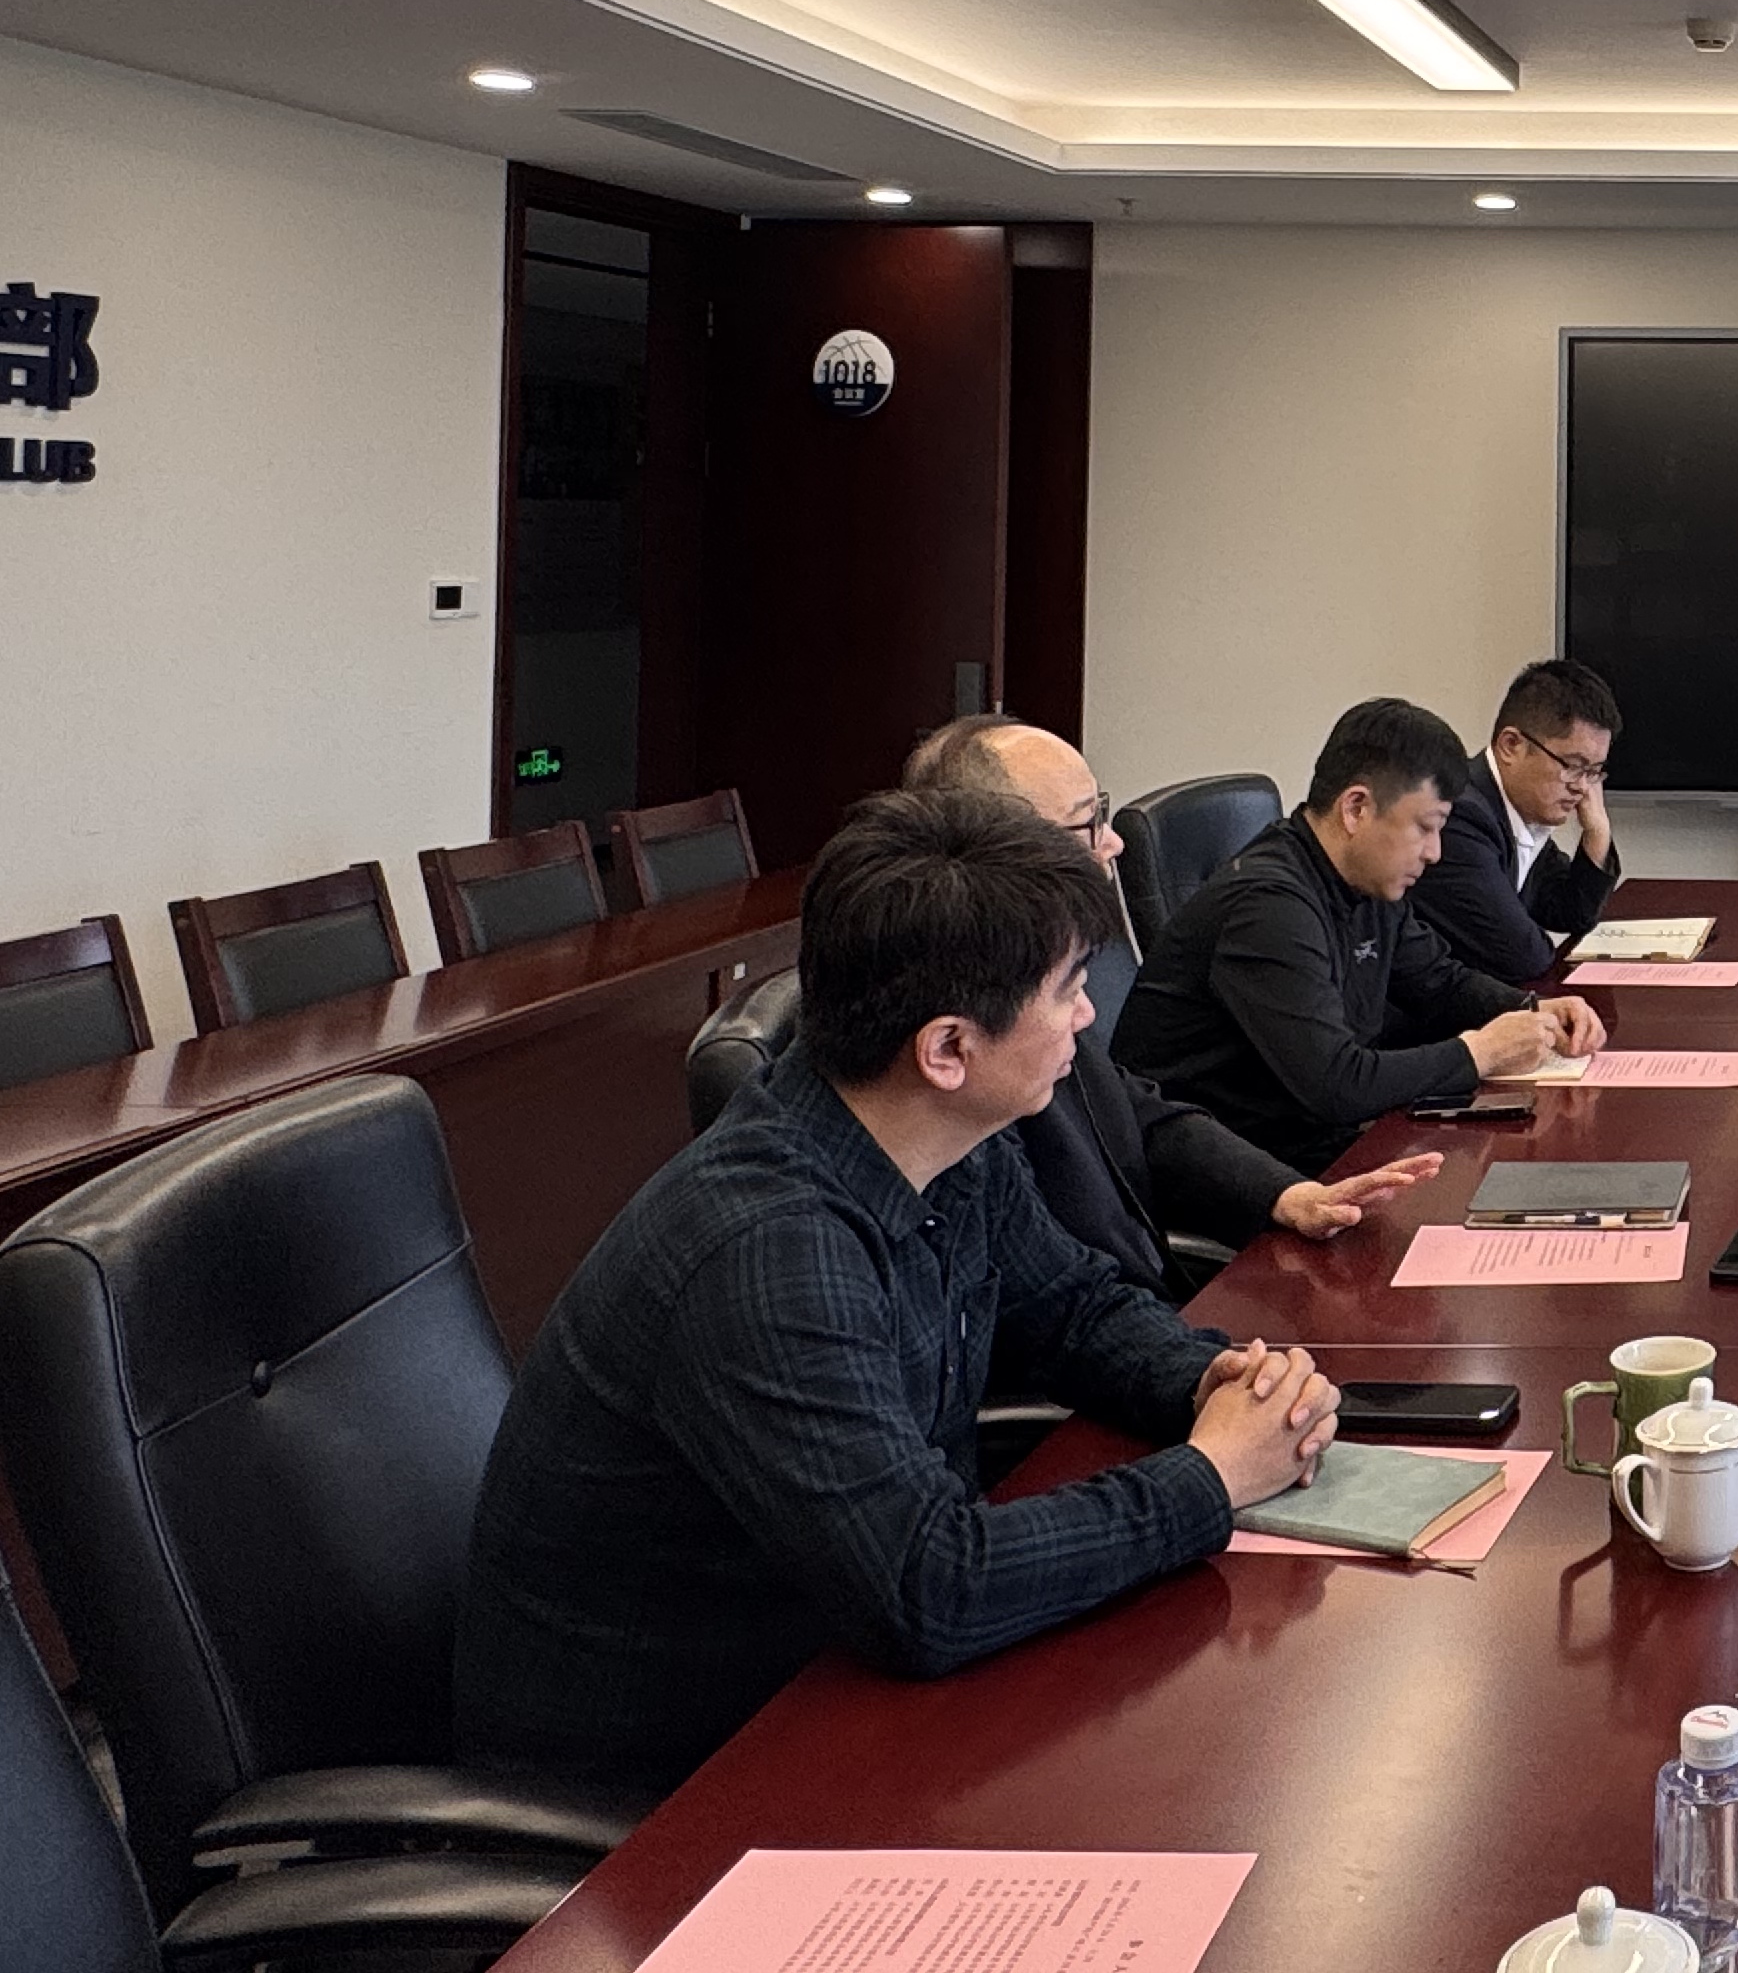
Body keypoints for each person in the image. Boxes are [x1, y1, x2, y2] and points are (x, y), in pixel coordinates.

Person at [455, 789, 1345, 1793]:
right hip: (666, 1786)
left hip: (836, 1686)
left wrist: (1216, 1383)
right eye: (1065, 990)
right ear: (949, 1049)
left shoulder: (944, 1138)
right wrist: (1212, 1478)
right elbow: (930, 1585)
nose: (1088, 1015)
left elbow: (1074, 1309)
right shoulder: (766, 1250)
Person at [903, 714, 1438, 1292]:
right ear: (994, 849)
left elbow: (1140, 1114)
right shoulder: (978, 1040)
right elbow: (1054, 1304)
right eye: (1088, 821)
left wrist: (1285, 1194)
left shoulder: (1037, 985)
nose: (1114, 842)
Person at [1115, 696, 1605, 1164]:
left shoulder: (1366, 883)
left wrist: (1531, 1009)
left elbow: (1440, 982)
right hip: (1235, 1171)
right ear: (1356, 809)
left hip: (1310, 1146)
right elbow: (1336, 1084)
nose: (1435, 852)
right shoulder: (1268, 907)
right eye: (1425, 827)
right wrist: (1479, 1053)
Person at [1410, 658, 1626, 986]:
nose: (1583, 787)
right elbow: (1523, 956)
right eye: (1573, 766)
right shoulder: (1460, 817)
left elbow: (1570, 912)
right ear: (1511, 746)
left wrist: (1597, 832)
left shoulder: (1516, 812)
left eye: (1593, 772)